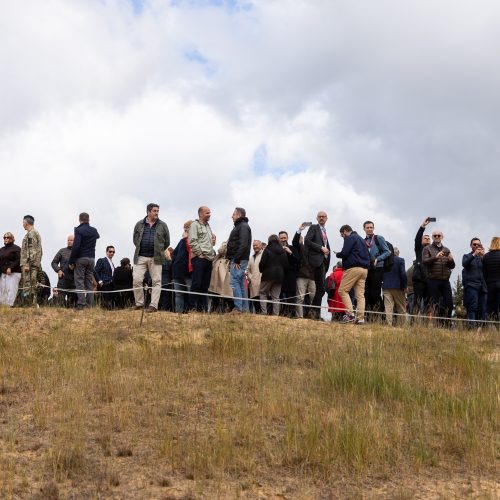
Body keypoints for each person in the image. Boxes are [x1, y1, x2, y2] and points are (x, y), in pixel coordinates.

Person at [132, 203, 170, 313]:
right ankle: (139, 303)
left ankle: (153, 306)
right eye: (154, 211)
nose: (157, 213)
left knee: (157, 281)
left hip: (156, 257)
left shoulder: (163, 225)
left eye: (158, 211)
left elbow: (167, 241)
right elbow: (135, 239)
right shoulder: (139, 224)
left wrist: (159, 249)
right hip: (141, 256)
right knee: (136, 280)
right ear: (148, 212)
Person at [336, 225, 370, 324]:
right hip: (364, 270)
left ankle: (350, 315)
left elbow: (345, 253)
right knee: (360, 295)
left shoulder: (350, 237)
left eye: (342, 235)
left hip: (353, 268)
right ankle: (360, 318)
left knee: (342, 290)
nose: (343, 237)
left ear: (345, 231)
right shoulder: (362, 240)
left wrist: (338, 254)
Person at [422, 230, 455, 325]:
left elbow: (452, 266)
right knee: (435, 303)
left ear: (442, 237)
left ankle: (447, 323)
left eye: (439, 235)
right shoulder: (427, 249)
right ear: (432, 237)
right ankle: (436, 323)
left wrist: (451, 260)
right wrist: (436, 257)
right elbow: (425, 261)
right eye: (435, 235)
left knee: (449, 303)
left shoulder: (447, 249)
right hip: (433, 279)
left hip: (445, 280)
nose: (437, 237)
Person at [69, 212, 100, 310]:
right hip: (91, 259)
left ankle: (81, 305)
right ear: (88, 219)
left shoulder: (78, 230)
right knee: (89, 283)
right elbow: (97, 236)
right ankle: (89, 305)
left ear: (80, 220)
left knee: (79, 281)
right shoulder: (94, 230)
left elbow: (76, 246)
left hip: (81, 258)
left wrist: (72, 261)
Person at [188, 206, 216, 312]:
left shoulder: (208, 226)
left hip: (209, 258)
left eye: (210, 212)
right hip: (199, 258)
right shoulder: (194, 225)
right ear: (200, 214)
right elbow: (192, 241)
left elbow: (209, 242)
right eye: (207, 213)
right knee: (196, 283)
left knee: (205, 286)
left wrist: (213, 241)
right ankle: (192, 307)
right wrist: (200, 254)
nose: (209, 214)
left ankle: (201, 309)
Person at [304, 211, 331, 320]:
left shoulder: (324, 231)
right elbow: (307, 241)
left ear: (326, 218)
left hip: (323, 262)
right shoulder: (314, 228)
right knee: (321, 288)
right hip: (316, 261)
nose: (321, 218)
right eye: (320, 217)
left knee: (321, 289)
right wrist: (321, 248)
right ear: (316, 218)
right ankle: (313, 312)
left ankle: (314, 313)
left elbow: (325, 244)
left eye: (323, 217)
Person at [363, 221, 390, 320]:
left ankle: (381, 318)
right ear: (364, 229)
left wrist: (377, 259)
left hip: (378, 268)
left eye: (371, 227)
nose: (369, 229)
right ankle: (369, 318)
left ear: (373, 228)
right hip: (367, 269)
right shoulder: (363, 241)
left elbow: (387, 252)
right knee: (367, 293)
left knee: (375, 293)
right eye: (367, 227)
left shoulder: (379, 238)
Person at [226, 207, 252, 313]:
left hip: (238, 259)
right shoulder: (240, 226)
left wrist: (236, 259)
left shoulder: (243, 226)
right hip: (239, 258)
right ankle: (244, 309)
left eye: (233, 214)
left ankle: (238, 308)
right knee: (240, 283)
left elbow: (244, 244)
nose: (231, 216)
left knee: (234, 282)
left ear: (239, 215)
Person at [259, 234, 289, 316]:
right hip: (279, 276)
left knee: (263, 293)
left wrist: (262, 270)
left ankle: (264, 312)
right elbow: (286, 265)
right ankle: (276, 314)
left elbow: (262, 263)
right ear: (278, 240)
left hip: (267, 275)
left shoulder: (267, 249)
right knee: (276, 296)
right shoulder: (282, 250)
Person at [462, 238, 487, 327]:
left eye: (478, 245)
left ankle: (482, 329)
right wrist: (474, 254)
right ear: (471, 245)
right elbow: (464, 264)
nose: (476, 246)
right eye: (474, 244)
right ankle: (471, 327)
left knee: (483, 308)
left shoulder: (483, 257)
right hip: (471, 286)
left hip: (483, 287)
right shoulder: (467, 256)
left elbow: (488, 269)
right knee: (472, 307)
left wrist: (483, 257)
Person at [292, 224, 316, 319]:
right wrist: (299, 230)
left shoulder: (316, 248)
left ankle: (312, 316)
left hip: (313, 276)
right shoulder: (301, 247)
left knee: (313, 298)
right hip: (302, 275)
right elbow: (295, 242)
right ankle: (300, 317)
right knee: (300, 297)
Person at [20, 215, 43, 305]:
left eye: (23, 223)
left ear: (26, 223)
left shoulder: (31, 234)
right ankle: (32, 304)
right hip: (33, 264)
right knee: (32, 284)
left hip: (29, 264)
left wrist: (26, 264)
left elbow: (31, 250)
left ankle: (28, 304)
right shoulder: (35, 233)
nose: (22, 225)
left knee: (27, 284)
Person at [171, 221, 193, 313]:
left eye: (187, 227)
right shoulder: (181, 241)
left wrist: (187, 238)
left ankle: (192, 312)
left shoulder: (195, 241)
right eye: (184, 227)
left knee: (191, 293)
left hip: (189, 272)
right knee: (178, 294)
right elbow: (174, 254)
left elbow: (191, 251)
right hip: (177, 272)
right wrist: (175, 263)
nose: (185, 229)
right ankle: (178, 313)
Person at [382, 249, 407, 326]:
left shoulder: (385, 261)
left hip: (386, 286)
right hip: (398, 287)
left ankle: (388, 325)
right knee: (401, 308)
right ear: (398, 253)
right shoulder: (400, 260)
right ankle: (401, 326)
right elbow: (403, 274)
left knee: (388, 307)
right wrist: (405, 286)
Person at [412, 218, 432, 315]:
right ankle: (413, 322)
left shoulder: (433, 250)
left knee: (429, 303)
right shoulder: (419, 248)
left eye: (429, 238)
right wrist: (422, 226)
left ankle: (426, 324)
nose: (427, 239)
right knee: (417, 301)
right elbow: (417, 238)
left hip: (430, 278)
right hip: (419, 278)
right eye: (425, 238)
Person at [278, 231, 299, 317]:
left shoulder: (292, 248)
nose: (283, 240)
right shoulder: (277, 249)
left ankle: (292, 314)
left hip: (290, 276)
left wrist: (290, 252)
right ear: (279, 239)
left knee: (291, 296)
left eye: (284, 238)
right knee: (280, 295)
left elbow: (297, 260)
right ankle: (282, 313)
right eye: (281, 238)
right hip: (279, 276)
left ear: (287, 238)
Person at [208, 241, 233, 313]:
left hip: (223, 269)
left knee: (221, 290)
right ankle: (218, 309)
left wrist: (224, 244)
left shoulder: (227, 244)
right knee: (219, 291)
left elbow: (221, 250)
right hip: (223, 270)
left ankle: (220, 309)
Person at [51, 235, 75, 306]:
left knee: (72, 303)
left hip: (74, 280)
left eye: (71, 240)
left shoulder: (78, 252)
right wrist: (58, 270)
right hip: (63, 279)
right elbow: (53, 262)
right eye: (68, 240)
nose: (69, 242)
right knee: (60, 302)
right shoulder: (62, 251)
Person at [0, 232, 22, 307]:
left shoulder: (17, 248)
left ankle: (9, 306)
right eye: (4, 237)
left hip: (14, 273)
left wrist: (11, 268)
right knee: (3, 290)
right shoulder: (2, 249)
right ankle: (3, 307)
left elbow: (19, 260)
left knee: (11, 290)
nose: (6, 239)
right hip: (3, 273)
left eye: (8, 237)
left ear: (12, 239)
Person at [482, 236, 500, 322]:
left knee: (491, 307)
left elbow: (484, 273)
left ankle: (493, 325)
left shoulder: (486, 257)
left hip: (490, 285)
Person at [246, 240, 264, 313]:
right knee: (255, 302)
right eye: (253, 245)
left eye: (256, 245)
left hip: (262, 282)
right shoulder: (251, 257)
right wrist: (251, 277)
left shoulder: (264, 254)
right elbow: (247, 270)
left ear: (261, 246)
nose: (255, 247)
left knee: (262, 300)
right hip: (253, 283)